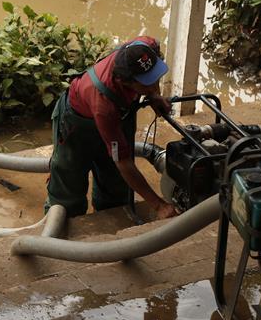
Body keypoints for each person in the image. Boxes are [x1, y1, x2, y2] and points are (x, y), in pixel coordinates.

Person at [45, 36, 177, 220]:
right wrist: (158, 205)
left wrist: (153, 95)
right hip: (77, 124)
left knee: (115, 185)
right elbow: (124, 162)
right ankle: (62, 229)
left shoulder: (144, 46)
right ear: (126, 82)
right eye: (147, 83)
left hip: (117, 117)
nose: (154, 84)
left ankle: (111, 219)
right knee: (69, 185)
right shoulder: (104, 106)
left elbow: (151, 68)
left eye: (155, 77)